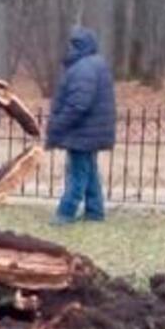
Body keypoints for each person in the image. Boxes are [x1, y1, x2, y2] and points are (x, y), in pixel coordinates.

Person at [45, 26, 117, 224]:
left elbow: (78, 105)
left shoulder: (83, 68)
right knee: (89, 172)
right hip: (88, 131)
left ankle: (65, 213)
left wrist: (58, 125)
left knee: (77, 173)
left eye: (71, 44)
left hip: (82, 132)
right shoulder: (93, 65)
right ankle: (95, 212)